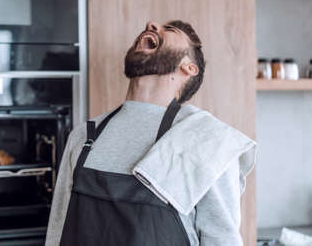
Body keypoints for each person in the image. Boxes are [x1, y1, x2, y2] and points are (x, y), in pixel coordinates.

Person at [45, 20, 256, 246]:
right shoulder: (84, 135)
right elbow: (58, 230)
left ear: (189, 68)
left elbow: (222, 240)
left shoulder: (206, 141)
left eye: (171, 30)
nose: (151, 23)